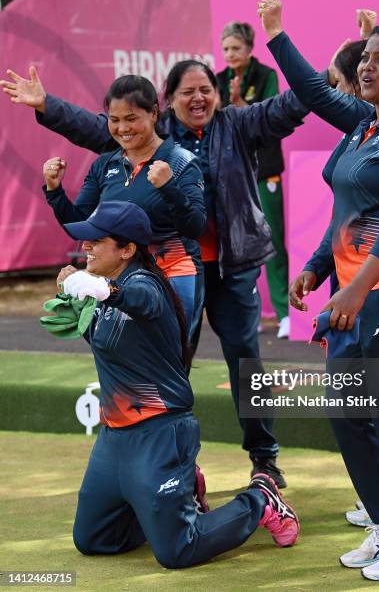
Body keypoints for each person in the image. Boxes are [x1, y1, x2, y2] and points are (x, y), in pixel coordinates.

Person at [1, 59, 309, 488]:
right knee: (169, 366)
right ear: (167, 102)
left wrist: (325, 78)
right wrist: (47, 105)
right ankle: (178, 470)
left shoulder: (236, 124)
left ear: (217, 93)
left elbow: (290, 106)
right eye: (188, 91)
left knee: (245, 360)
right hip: (165, 272)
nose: (198, 98)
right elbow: (100, 127)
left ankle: (265, 460)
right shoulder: (143, 135)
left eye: (206, 89)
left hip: (231, 265)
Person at [259, 0, 379, 582]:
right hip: (354, 290)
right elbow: (350, 205)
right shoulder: (368, 122)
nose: (368, 68)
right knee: (347, 410)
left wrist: (354, 290)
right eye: (364, 58)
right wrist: (320, 267)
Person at [49, 199, 299, 568]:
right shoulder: (106, 290)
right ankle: (175, 497)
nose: (86, 246)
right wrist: (75, 299)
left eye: (96, 241)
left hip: (161, 434)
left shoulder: (146, 285)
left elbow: (138, 300)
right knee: (94, 540)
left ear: (128, 249)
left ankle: (260, 500)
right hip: (114, 439)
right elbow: (114, 343)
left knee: (178, 550)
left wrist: (96, 286)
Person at [41, 74, 206, 341]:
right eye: (114, 120)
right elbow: (80, 223)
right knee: (124, 355)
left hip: (175, 274)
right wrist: (54, 191)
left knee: (168, 362)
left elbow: (195, 226)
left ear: (154, 113)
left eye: (131, 118)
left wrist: (168, 187)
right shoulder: (105, 164)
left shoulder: (181, 161)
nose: (122, 128)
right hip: (121, 279)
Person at [217, 22, 290, 339]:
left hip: (264, 170)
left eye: (235, 48)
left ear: (249, 49)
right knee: (240, 246)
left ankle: (286, 313)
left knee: (271, 240)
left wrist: (239, 104)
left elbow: (269, 117)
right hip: (231, 173)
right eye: (225, 49)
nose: (230, 54)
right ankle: (250, 314)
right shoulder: (216, 80)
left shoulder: (266, 76)